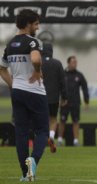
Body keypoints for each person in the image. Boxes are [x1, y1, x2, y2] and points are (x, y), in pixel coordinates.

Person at [0, 9, 49, 181]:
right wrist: (37, 71)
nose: (38, 26)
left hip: (18, 92)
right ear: (28, 24)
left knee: (21, 133)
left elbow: (1, 68)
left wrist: (14, 85)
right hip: (34, 91)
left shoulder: (10, 44)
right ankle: (33, 160)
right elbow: (36, 59)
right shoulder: (33, 42)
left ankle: (25, 174)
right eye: (36, 23)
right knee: (43, 131)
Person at [41, 42, 67, 152]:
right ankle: (51, 136)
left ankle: (41, 140)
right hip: (54, 97)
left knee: (41, 119)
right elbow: (63, 82)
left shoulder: (38, 63)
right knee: (53, 119)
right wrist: (64, 97)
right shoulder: (57, 63)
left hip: (40, 96)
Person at [58, 56, 89, 146]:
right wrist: (59, 100)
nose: (75, 64)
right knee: (62, 120)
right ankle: (59, 140)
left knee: (76, 121)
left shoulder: (79, 75)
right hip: (64, 102)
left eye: (76, 62)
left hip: (75, 102)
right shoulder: (62, 74)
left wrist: (86, 101)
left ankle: (76, 141)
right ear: (68, 63)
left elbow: (85, 88)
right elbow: (57, 87)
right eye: (73, 62)